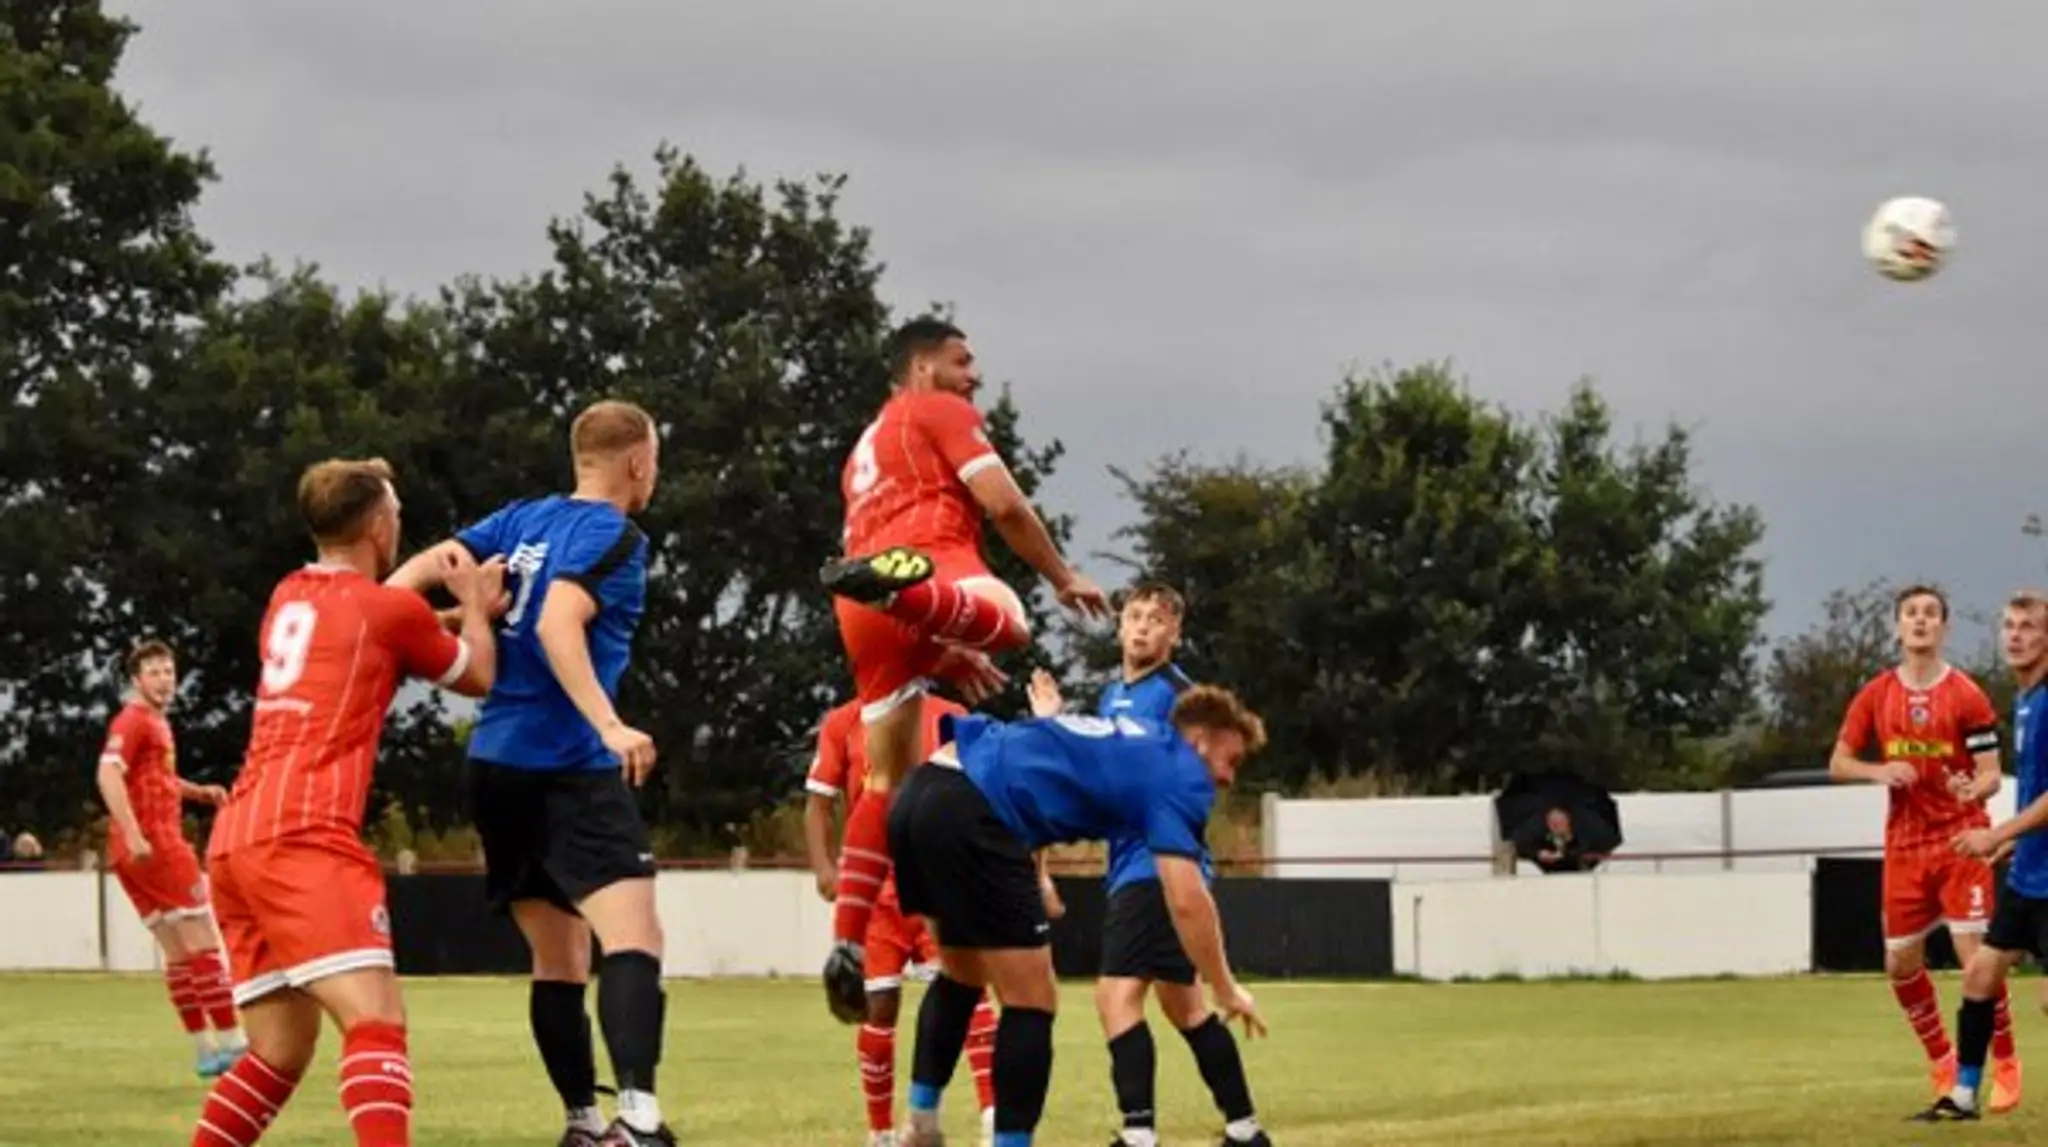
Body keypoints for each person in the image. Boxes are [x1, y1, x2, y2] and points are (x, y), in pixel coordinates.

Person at [189, 457, 500, 1147]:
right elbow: (477, 671)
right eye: (393, 510)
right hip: (304, 834)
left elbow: (369, 626)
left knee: (277, 1051)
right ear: (378, 524)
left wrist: (436, 607)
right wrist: (475, 607)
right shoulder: (387, 609)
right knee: (375, 1020)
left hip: (237, 837)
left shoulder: (288, 595)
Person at [387, 399, 672, 1147]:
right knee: (634, 939)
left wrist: (377, 608)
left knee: (560, 958)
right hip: (567, 766)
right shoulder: (617, 534)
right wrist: (609, 723)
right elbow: (553, 624)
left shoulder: (522, 519)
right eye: (656, 460)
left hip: (495, 766)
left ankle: (582, 1121)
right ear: (637, 461)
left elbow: (433, 565)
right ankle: (638, 1119)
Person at [817, 317, 1108, 1019]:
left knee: (885, 782)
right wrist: (1063, 573)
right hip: (925, 564)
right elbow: (1003, 503)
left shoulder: (864, 445)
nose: (973, 375)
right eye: (961, 361)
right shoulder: (939, 409)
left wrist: (943, 643)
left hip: (865, 609)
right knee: (1013, 617)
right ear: (921, 368)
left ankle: (846, 942)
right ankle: (906, 590)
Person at [887, 686, 1273, 1147]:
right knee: (1032, 1001)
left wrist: (1037, 875)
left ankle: (921, 1126)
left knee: (961, 975)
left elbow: (1039, 773)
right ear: (1203, 740)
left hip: (922, 792)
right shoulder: (1179, 770)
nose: (1229, 778)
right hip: (975, 811)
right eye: (1233, 760)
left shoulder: (1135, 739)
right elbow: (1187, 899)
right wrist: (1226, 988)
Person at [1027, 583, 1269, 1146]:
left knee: (1115, 996)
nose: (1141, 627)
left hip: (1153, 867)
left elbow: (1176, 775)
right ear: (1118, 628)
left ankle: (1139, 1138)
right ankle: (1245, 1130)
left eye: (1156, 620)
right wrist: (1058, 724)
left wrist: (1056, 731)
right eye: (1133, 617)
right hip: (1135, 865)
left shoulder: (1178, 699)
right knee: (1184, 1005)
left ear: (1175, 634)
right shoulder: (1114, 697)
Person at [1830, 583, 2017, 1109]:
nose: (1920, 621)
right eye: (1911, 613)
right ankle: (1942, 1058)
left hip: (1960, 841)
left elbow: (1990, 777)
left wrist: (1971, 787)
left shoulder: (1967, 694)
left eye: (1930, 614)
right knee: (1899, 963)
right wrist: (1878, 770)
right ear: (1897, 627)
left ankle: (2005, 1063)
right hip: (1906, 847)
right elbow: (1838, 762)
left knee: (1976, 961)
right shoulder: (1876, 695)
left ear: (1944, 628)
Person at [804, 695, 1001, 1147]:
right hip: (877, 890)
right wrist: (823, 867)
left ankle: (992, 1116)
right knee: (880, 1005)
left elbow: (985, 791)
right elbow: (818, 802)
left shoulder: (954, 717)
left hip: (941, 878)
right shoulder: (843, 722)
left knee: (969, 991)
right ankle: (881, 1133)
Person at [1916, 590, 2048, 1121]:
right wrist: (2018, 841)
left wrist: (1997, 836)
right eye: (2009, 625)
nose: (2015, 635)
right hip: (2029, 875)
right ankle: (1964, 1096)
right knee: (1979, 977)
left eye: (2029, 627)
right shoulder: (2023, 700)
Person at [95, 638, 243, 1078]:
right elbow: (107, 773)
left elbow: (156, 779)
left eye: (169, 671)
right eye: (155, 672)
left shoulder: (153, 722)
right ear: (136, 679)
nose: (164, 679)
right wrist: (136, 832)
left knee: (178, 954)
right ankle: (235, 1044)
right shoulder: (134, 721)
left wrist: (199, 792)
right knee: (203, 943)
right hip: (157, 845)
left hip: (129, 854)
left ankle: (205, 1052)